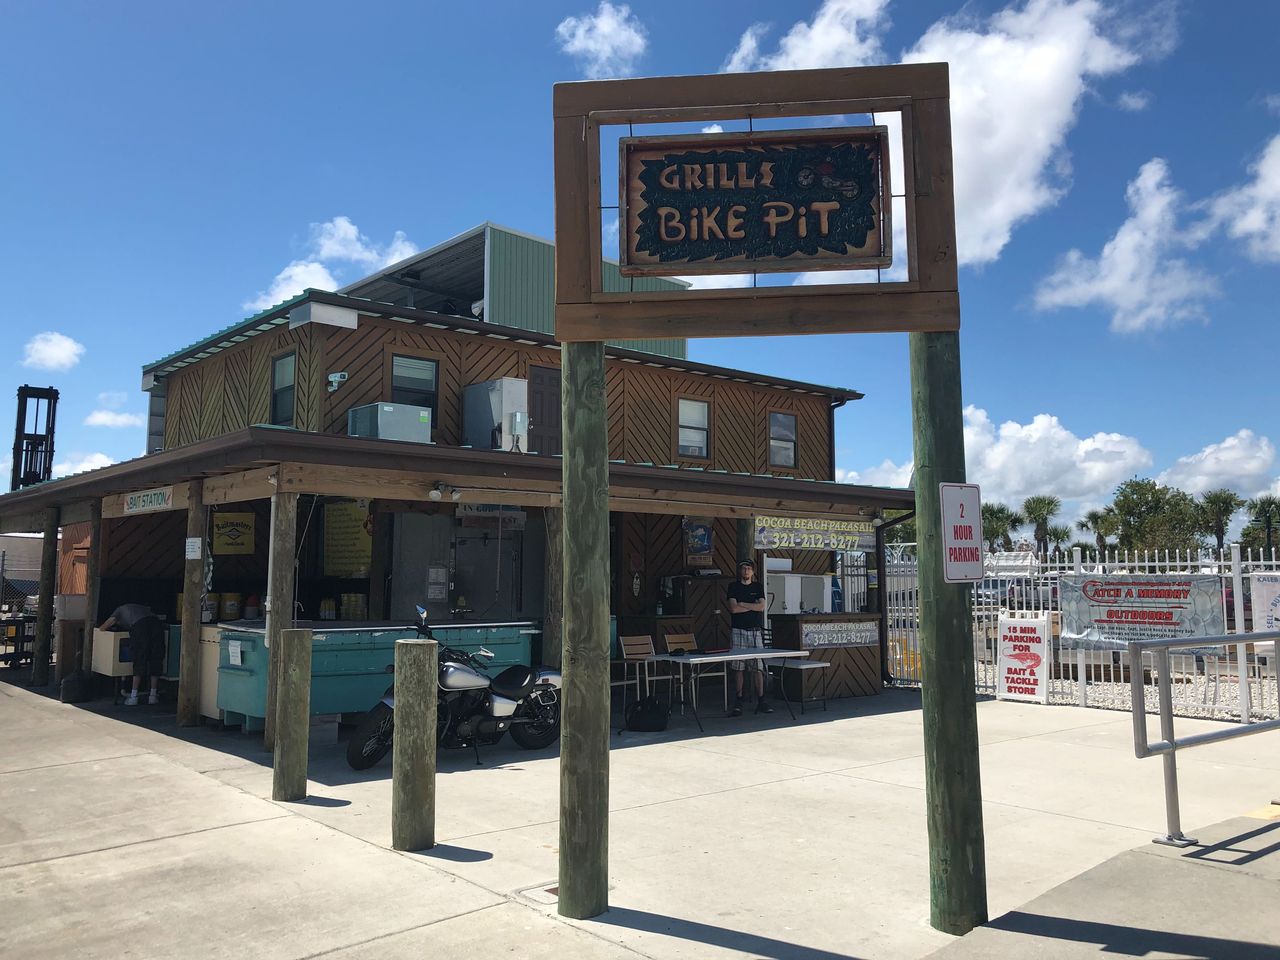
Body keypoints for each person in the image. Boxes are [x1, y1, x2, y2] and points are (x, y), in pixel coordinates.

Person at [725, 559, 772, 716]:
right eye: (744, 568)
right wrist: (751, 606)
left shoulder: (758, 587)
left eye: (749, 568)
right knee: (738, 667)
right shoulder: (733, 587)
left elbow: (761, 607)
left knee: (758, 667)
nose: (746, 571)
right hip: (738, 630)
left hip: (755, 631)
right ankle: (739, 699)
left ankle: (762, 699)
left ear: (753, 571)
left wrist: (743, 604)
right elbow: (733, 608)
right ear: (740, 571)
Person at [99, 603, 165, 705]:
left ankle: (134, 696)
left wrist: (101, 629)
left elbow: (111, 621)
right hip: (156, 624)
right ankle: (153, 695)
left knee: (139, 658)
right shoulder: (140, 607)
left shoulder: (119, 610)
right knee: (156, 658)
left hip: (140, 626)